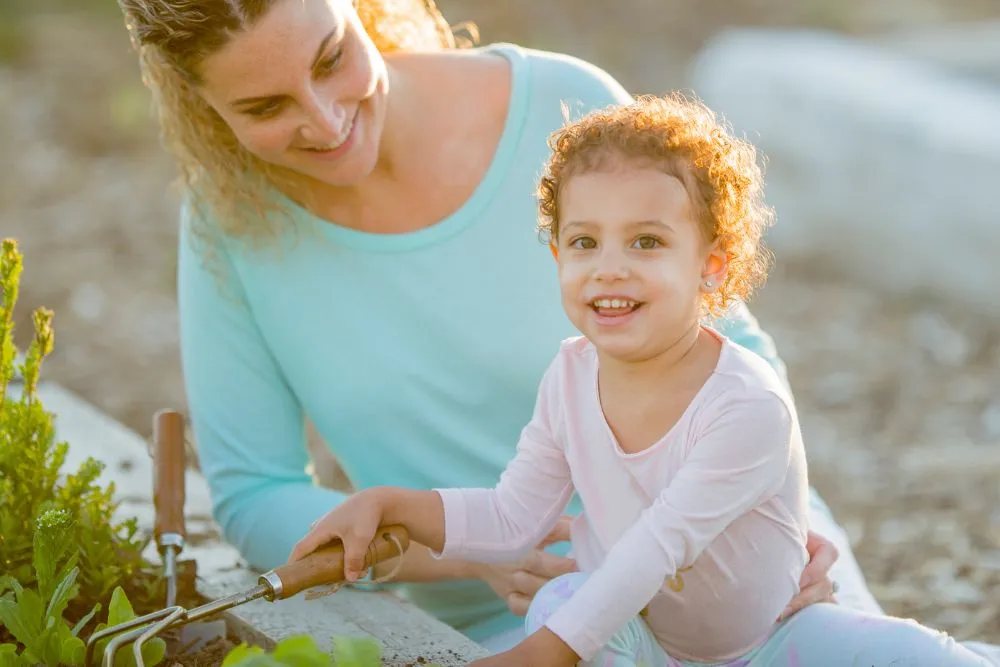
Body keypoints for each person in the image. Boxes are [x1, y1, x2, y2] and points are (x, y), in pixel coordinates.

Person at [114, 0, 999, 658]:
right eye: (265, 108)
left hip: (729, 566)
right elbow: (256, 495)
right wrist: (471, 558)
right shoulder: (228, 222)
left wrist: (781, 521)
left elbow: (741, 358)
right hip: (516, 615)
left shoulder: (564, 107)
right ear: (203, 111)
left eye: (333, 57)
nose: (325, 118)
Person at [289, 93, 996, 667]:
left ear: (711, 268)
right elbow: (512, 517)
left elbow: (656, 544)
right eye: (584, 242)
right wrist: (392, 504)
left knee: (914, 655)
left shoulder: (746, 403)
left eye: (647, 241)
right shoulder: (569, 375)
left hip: (774, 641)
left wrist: (542, 656)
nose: (609, 267)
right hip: (646, 644)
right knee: (562, 599)